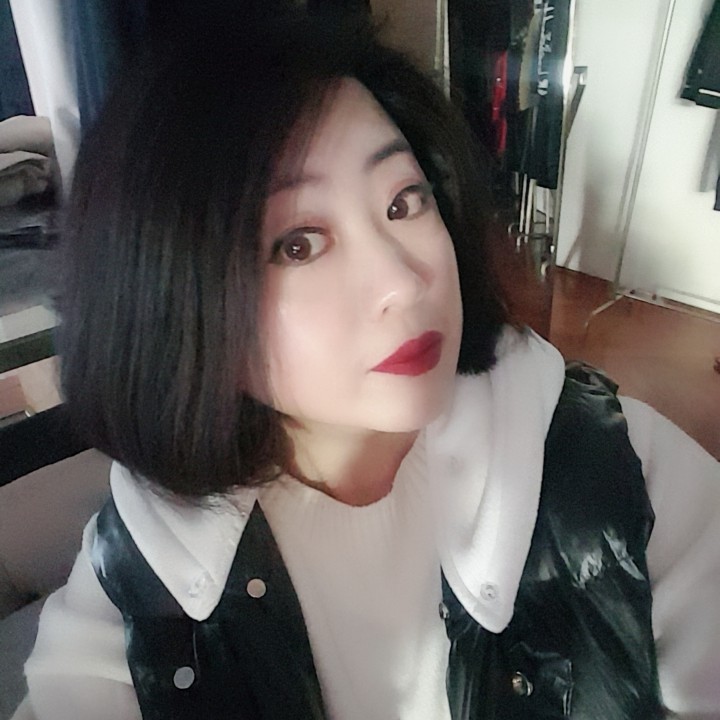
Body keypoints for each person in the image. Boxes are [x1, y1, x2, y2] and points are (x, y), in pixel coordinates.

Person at [15, 9, 720, 720]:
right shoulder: (139, 587)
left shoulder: (622, 474)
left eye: (403, 202)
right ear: (172, 299)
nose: (403, 283)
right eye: (298, 243)